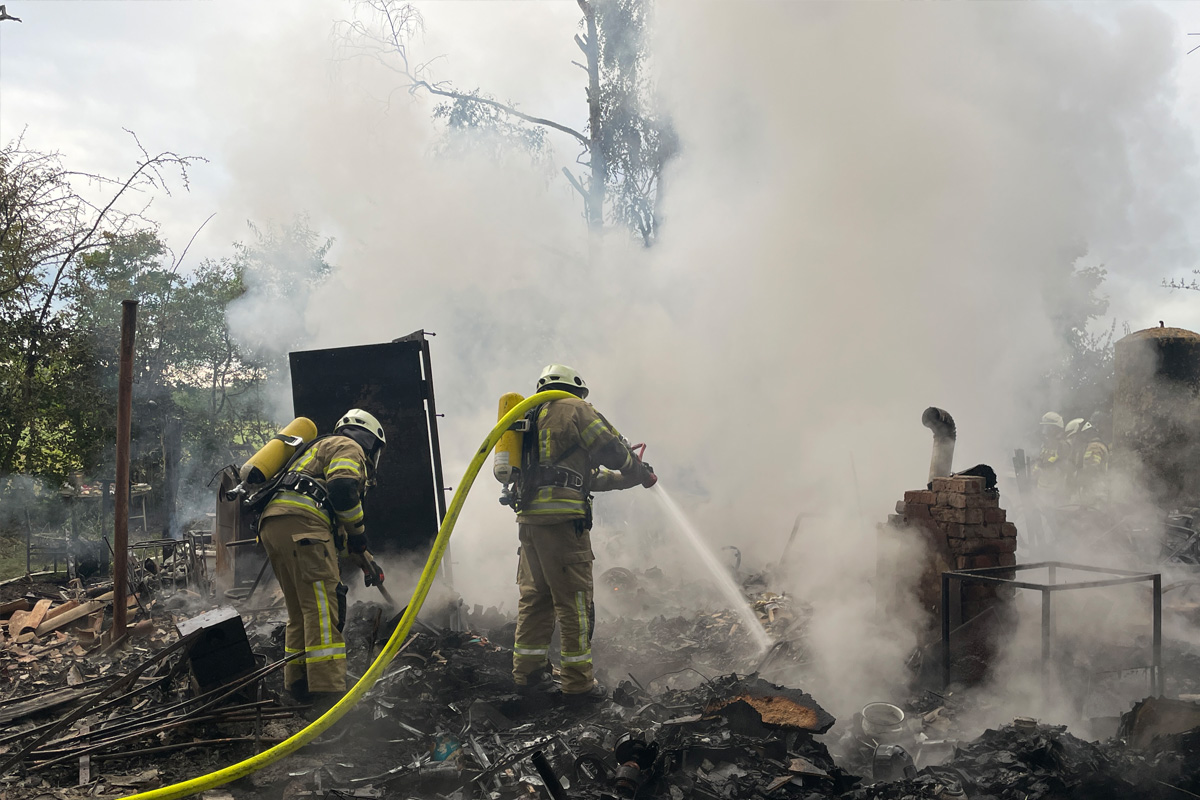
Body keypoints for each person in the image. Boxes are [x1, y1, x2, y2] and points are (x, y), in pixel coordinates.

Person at [510, 364, 655, 706]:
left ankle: (527, 675)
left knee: (536, 598)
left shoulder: (530, 415)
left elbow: (582, 479)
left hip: (529, 522)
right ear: (577, 390)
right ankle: (577, 686)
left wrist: (627, 479)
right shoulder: (576, 409)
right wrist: (638, 470)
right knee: (574, 602)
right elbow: (612, 450)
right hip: (563, 524)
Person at [257, 409, 386, 706]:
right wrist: (359, 532)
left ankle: (298, 685)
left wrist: (365, 558)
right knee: (323, 610)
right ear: (370, 440)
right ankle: (327, 693)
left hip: (275, 526)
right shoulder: (348, 446)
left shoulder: (314, 450)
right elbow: (342, 490)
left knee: (300, 612)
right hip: (303, 527)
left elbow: (332, 531)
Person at [1032, 412, 1071, 504]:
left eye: (1048, 428)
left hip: (1055, 492)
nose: (1045, 431)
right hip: (1042, 490)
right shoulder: (1045, 444)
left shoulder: (1063, 445)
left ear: (1056, 429)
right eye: (1045, 427)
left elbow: (1061, 465)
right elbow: (1040, 462)